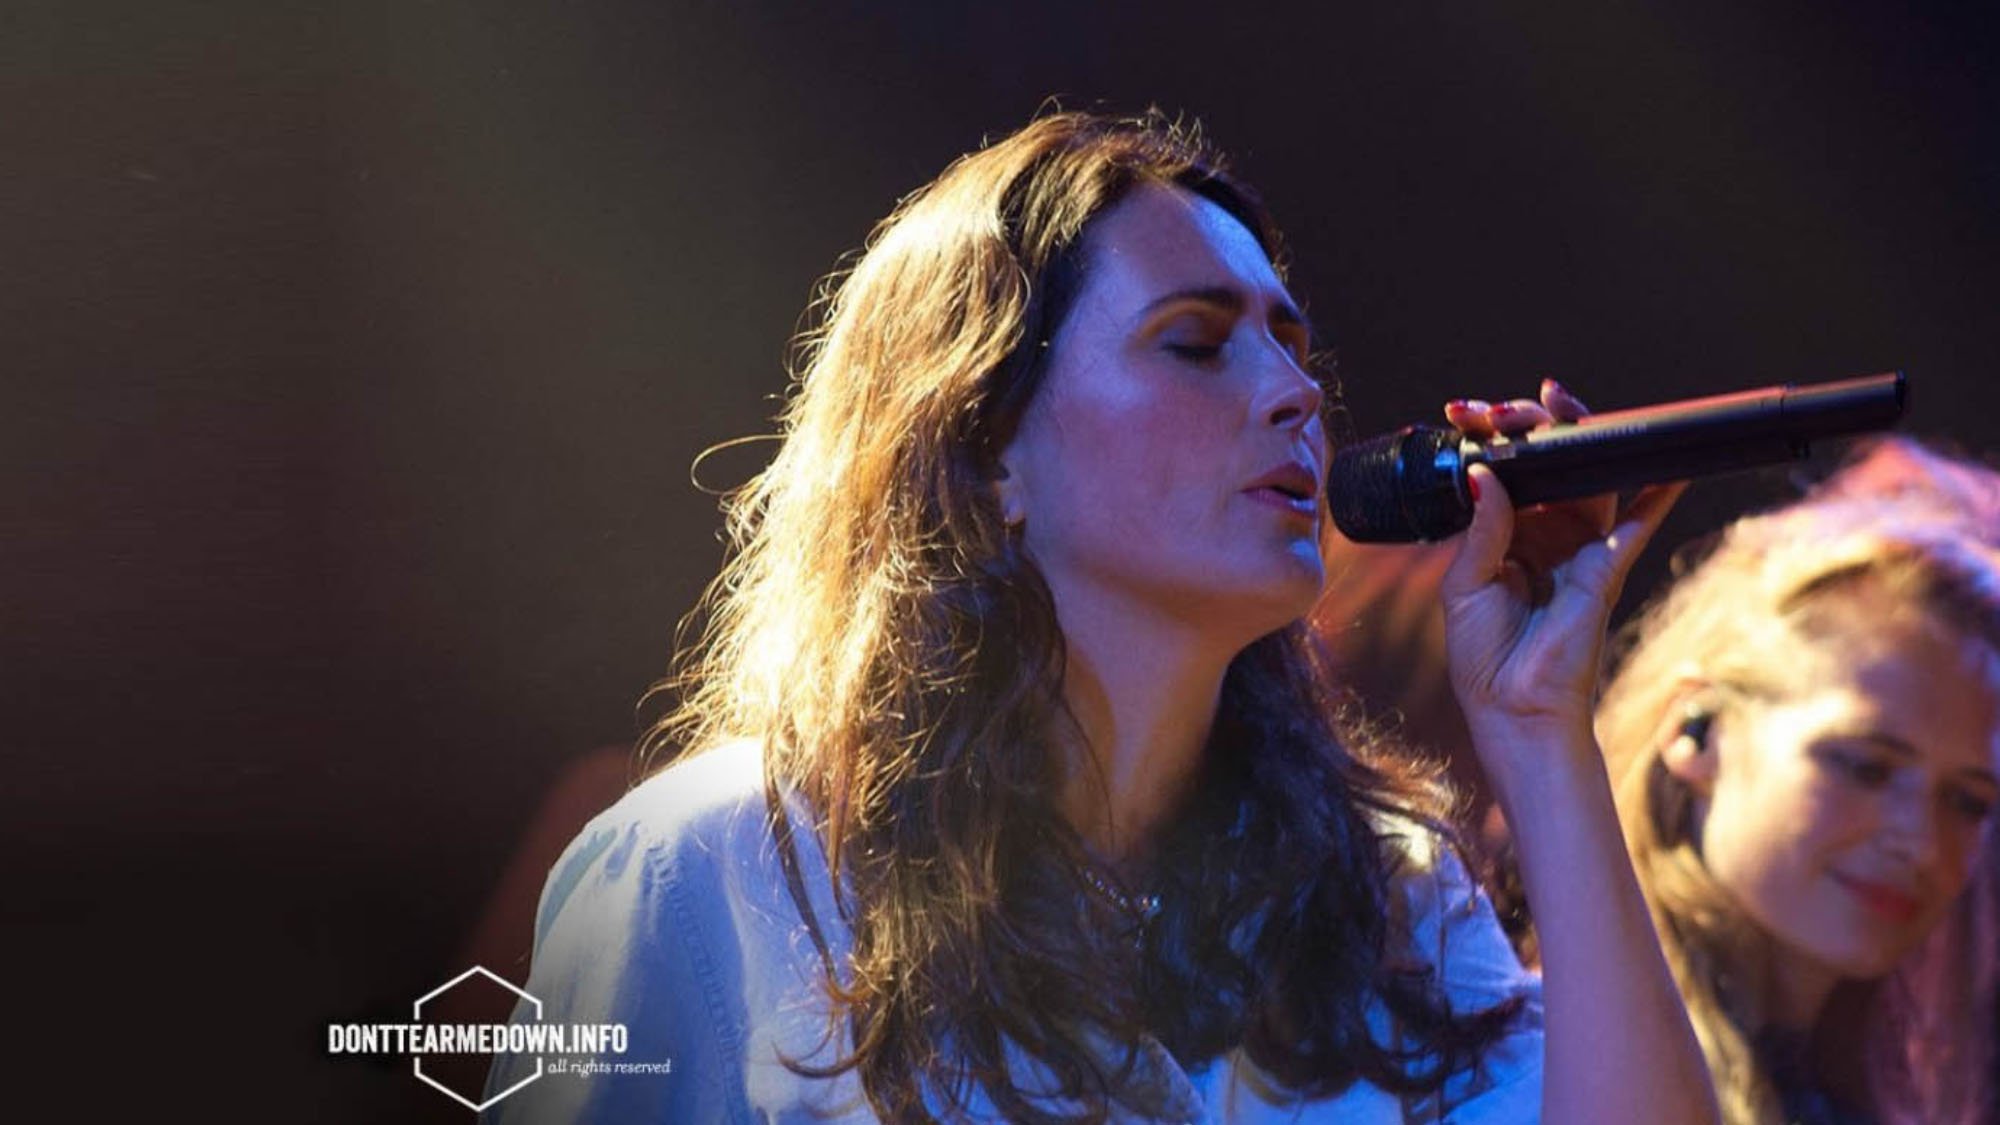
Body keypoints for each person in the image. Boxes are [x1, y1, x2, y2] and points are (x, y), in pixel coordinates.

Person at [483, 109, 1716, 1123]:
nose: (1295, 393)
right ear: (985, 449)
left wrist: (1539, 725)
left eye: (1292, 347)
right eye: (1195, 344)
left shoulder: (1386, 894)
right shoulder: (710, 868)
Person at [1595, 437, 2000, 1124]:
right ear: (1696, 733)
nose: (1921, 843)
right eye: (1866, 766)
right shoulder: (1556, 1060)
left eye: (1968, 800)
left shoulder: (1860, 1092)